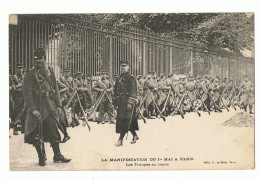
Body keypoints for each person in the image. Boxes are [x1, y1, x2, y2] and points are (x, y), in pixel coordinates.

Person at [23, 48, 71, 166]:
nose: (38, 61)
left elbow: (56, 90)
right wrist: (33, 109)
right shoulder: (30, 74)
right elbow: (27, 93)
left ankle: (57, 155)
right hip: (37, 107)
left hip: (50, 107)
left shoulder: (50, 72)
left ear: (44, 58)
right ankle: (41, 157)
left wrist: (59, 105)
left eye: (40, 59)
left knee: (53, 129)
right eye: (36, 59)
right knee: (36, 133)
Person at [114, 60, 139, 147]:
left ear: (128, 67)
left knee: (125, 120)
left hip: (128, 103)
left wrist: (130, 103)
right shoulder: (118, 78)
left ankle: (120, 140)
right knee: (127, 120)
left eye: (125, 66)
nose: (123, 67)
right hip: (121, 103)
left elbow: (133, 91)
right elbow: (115, 91)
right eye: (121, 66)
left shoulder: (131, 78)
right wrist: (115, 103)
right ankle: (135, 135)